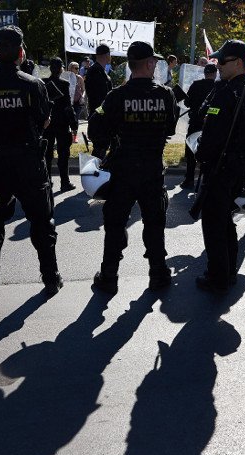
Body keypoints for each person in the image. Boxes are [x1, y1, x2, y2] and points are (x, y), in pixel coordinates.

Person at [0, 25, 62, 299]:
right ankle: (51, 279)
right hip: (28, 163)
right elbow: (44, 121)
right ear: (21, 52)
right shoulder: (33, 84)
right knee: (42, 224)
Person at [90, 41, 178, 295]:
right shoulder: (165, 95)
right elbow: (171, 129)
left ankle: (109, 277)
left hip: (123, 169)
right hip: (152, 169)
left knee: (115, 223)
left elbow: (96, 126)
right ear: (149, 64)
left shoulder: (116, 95)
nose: (156, 66)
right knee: (154, 223)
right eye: (155, 62)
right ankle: (158, 274)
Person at [194, 39, 245, 292]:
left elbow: (210, 132)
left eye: (222, 61)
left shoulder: (227, 92)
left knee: (215, 223)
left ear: (238, 63)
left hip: (222, 166)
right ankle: (228, 272)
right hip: (243, 164)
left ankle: (218, 278)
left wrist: (201, 158)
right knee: (227, 220)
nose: (217, 66)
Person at [42, 57, 78, 191]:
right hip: (62, 123)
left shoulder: (44, 82)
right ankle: (65, 182)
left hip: (48, 122)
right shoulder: (64, 83)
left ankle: (47, 181)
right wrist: (74, 123)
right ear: (61, 69)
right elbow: (68, 106)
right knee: (63, 154)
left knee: (47, 154)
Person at [181, 62, 217, 188]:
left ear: (205, 73)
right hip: (211, 125)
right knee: (210, 152)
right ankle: (207, 181)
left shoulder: (196, 85)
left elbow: (187, 102)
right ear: (215, 74)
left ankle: (189, 179)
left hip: (195, 122)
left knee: (191, 152)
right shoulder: (218, 87)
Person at [85, 44, 113, 158]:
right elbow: (100, 99)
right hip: (99, 118)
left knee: (101, 148)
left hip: (99, 116)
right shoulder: (96, 71)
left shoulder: (98, 70)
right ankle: (94, 174)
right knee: (99, 150)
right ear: (106, 55)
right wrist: (103, 115)